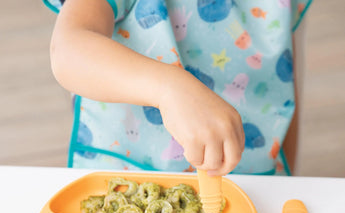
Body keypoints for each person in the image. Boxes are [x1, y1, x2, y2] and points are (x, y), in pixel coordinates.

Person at [42, 0, 312, 176]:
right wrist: (169, 89)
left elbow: (282, 78)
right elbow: (68, 49)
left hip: (252, 172)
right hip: (127, 168)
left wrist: (287, 178)